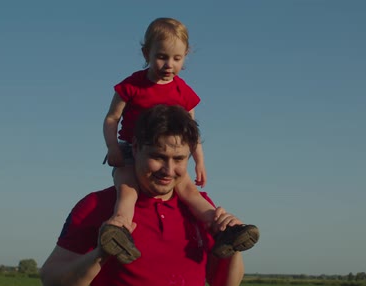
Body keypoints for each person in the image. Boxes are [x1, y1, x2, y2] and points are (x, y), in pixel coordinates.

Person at [41, 105, 249, 286]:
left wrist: (233, 243)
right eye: (158, 157)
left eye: (179, 159)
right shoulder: (96, 206)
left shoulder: (201, 209)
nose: (168, 170)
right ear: (136, 148)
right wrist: (101, 254)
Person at [101, 17, 258, 263]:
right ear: (146, 53)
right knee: (127, 190)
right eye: (161, 56)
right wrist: (112, 148)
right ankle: (119, 231)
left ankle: (225, 232)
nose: (168, 64)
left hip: (171, 157)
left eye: (177, 58)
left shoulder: (183, 92)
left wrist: (200, 163)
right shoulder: (132, 85)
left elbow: (192, 133)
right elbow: (112, 118)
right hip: (132, 153)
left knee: (191, 193)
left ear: (186, 56)